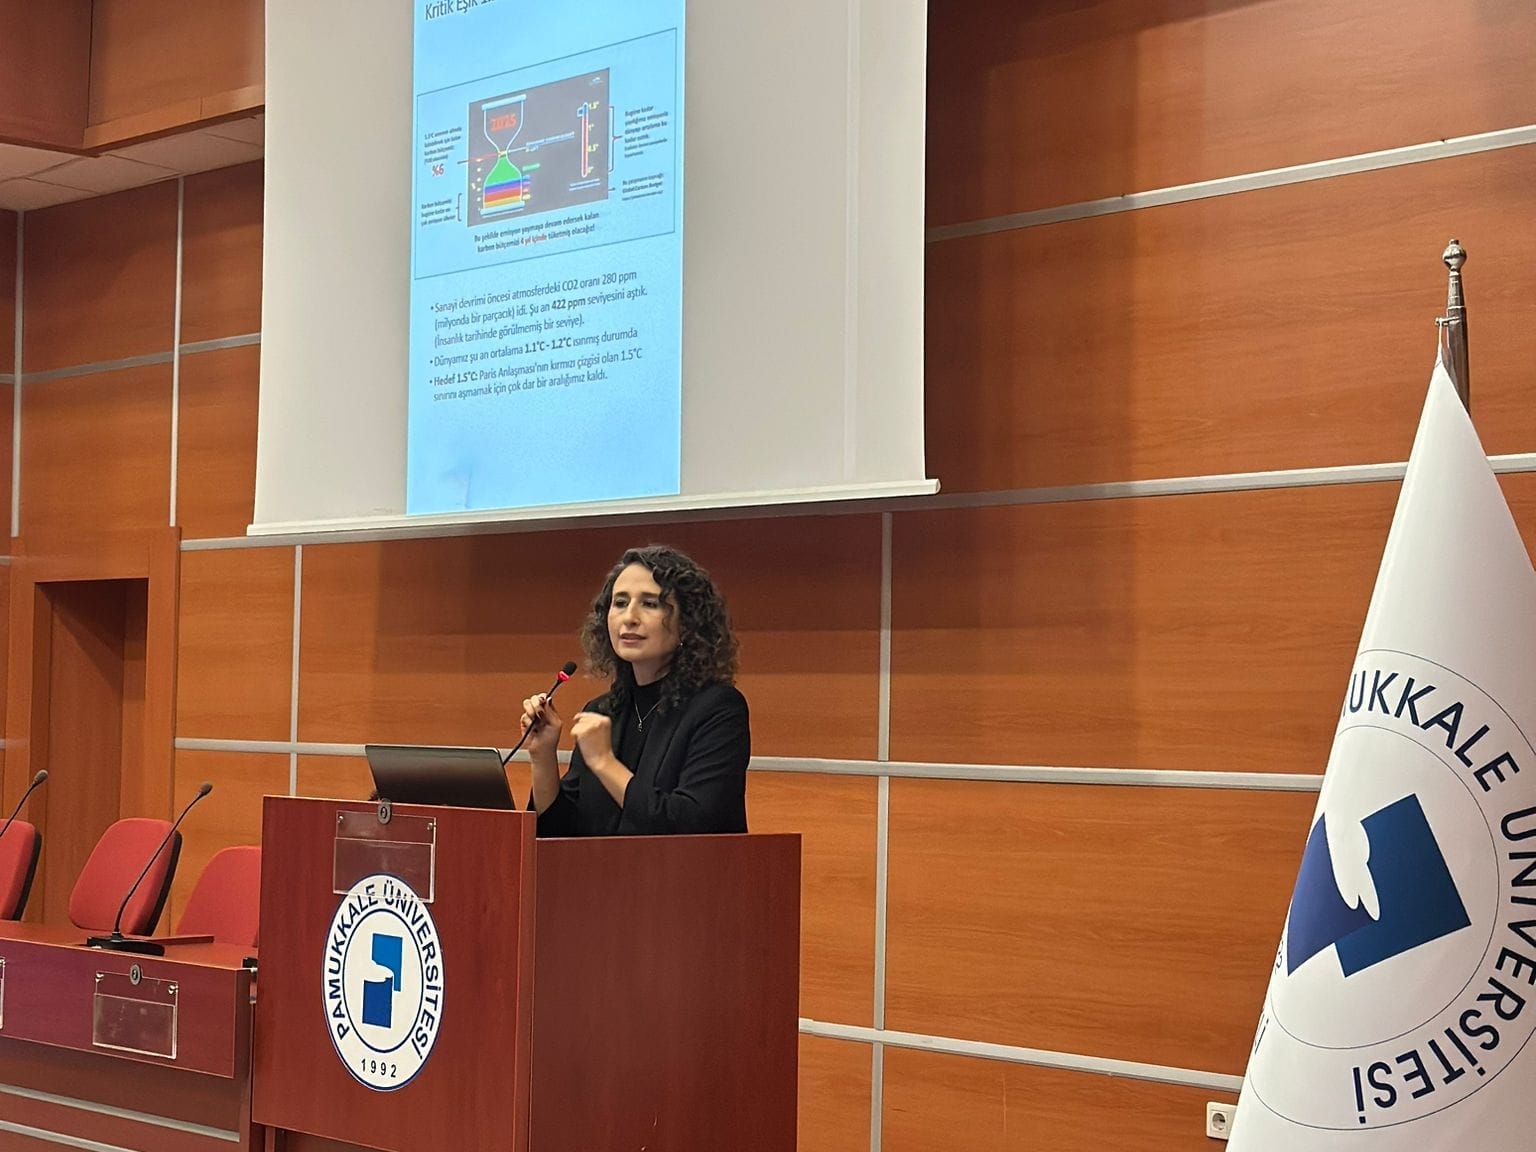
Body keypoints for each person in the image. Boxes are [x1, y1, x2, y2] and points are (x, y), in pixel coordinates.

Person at [520, 545, 750, 836]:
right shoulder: (602, 711)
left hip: (685, 867)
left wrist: (605, 762)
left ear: (687, 623)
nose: (629, 617)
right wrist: (542, 757)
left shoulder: (718, 708)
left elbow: (692, 824)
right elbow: (561, 835)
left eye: (650, 604)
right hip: (605, 867)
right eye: (620, 602)